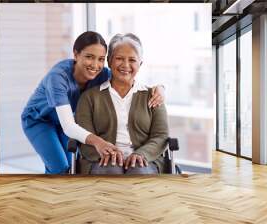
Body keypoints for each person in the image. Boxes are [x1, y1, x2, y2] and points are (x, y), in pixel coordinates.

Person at [21, 31, 165, 174]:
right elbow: (69, 126)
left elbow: (128, 78)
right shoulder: (58, 78)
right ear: (76, 54)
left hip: (67, 120)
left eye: (101, 59)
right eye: (89, 57)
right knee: (60, 168)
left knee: (70, 167)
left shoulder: (101, 74)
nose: (95, 65)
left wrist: (160, 88)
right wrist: (99, 142)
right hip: (40, 120)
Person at [75, 33, 169, 175]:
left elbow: (161, 135)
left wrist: (142, 154)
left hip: (145, 160)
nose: (125, 65)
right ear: (109, 61)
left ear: (140, 64)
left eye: (132, 60)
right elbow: (84, 136)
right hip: (101, 160)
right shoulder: (89, 97)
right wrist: (109, 153)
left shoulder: (154, 96)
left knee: (139, 171)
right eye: (119, 58)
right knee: (110, 170)